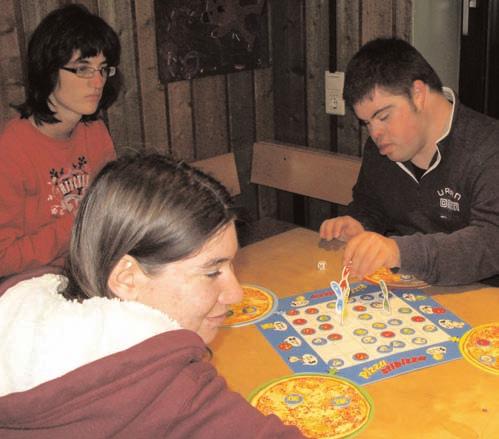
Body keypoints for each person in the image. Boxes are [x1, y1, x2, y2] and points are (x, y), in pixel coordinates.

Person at [0, 154, 306, 438]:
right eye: (212, 272)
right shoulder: (170, 391)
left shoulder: (21, 310)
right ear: (127, 278)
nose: (236, 294)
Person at [320, 37, 499, 286]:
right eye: (367, 123)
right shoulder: (381, 148)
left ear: (417, 94)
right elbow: (371, 203)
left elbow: (491, 241)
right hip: (409, 295)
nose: (375, 133)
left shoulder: (489, 148)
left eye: (383, 116)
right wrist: (359, 223)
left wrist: (399, 251)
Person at [0, 4, 121, 279]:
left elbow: (111, 212)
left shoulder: (95, 132)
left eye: (103, 69)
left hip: (91, 272)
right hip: (33, 286)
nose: (98, 82)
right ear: (48, 71)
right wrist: (79, 222)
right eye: (83, 69)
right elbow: (3, 259)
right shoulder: (10, 149)